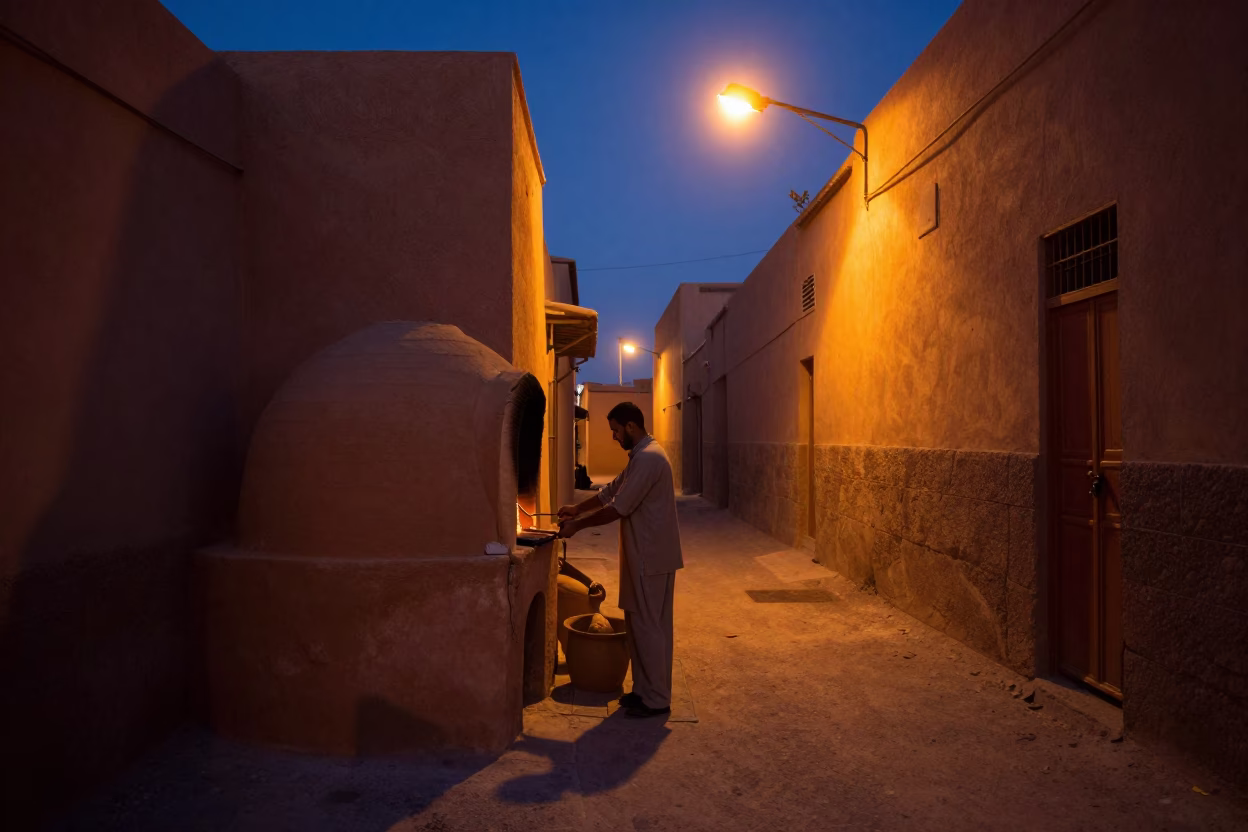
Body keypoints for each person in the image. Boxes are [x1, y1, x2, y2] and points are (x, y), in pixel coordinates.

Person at [557, 401, 683, 718]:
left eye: (615, 430)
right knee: (638, 625)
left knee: (650, 627)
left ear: (630, 426)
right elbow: (610, 491)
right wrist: (577, 509)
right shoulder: (640, 456)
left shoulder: (650, 458)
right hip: (642, 556)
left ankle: (656, 699)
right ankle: (643, 691)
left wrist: (577, 526)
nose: (613, 436)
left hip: (651, 557)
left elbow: (618, 507)